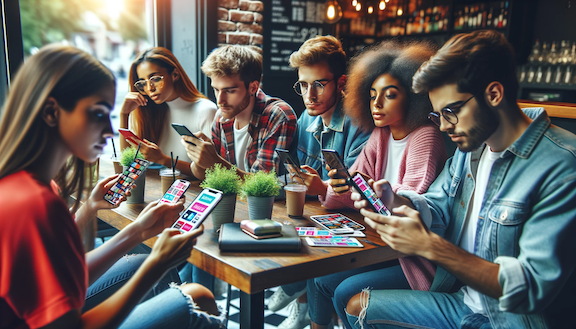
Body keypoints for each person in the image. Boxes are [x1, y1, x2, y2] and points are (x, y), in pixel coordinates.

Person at [346, 30, 576, 329]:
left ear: (494, 94)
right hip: (462, 300)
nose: (442, 127)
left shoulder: (561, 164)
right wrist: (393, 200)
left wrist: (430, 246)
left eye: (451, 111)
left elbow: (530, 290)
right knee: (355, 306)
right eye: (437, 115)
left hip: (509, 321)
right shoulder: (472, 149)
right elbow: (437, 205)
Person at [0, 45, 224, 329]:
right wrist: (157, 262)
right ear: (51, 112)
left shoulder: (32, 185)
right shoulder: (33, 203)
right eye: (97, 114)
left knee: (143, 267)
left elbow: (60, 275)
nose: (108, 130)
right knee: (194, 295)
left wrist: (138, 231)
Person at [304, 41, 448, 329]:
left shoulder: (426, 138)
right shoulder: (380, 136)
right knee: (318, 278)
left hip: (412, 258)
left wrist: (368, 192)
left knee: (346, 291)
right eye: (371, 96)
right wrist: (340, 186)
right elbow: (348, 192)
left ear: (413, 96)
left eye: (389, 95)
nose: (377, 104)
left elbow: (411, 210)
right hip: (382, 245)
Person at [267, 35, 371, 329]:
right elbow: (294, 175)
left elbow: (355, 192)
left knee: (304, 245)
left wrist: (319, 187)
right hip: (318, 216)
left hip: (354, 224)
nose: (309, 94)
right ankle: (298, 298)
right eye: (302, 84)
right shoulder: (305, 118)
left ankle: (297, 292)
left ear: (341, 83)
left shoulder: (359, 122)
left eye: (319, 84)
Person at [182, 44, 298, 180]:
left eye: (229, 91)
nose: (220, 100)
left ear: (253, 87)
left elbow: (263, 186)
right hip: (233, 200)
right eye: (216, 89)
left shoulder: (278, 116)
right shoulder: (221, 117)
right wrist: (200, 159)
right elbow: (205, 176)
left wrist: (214, 162)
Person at [119, 47, 217, 177]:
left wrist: (162, 159)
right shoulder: (150, 112)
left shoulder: (205, 110)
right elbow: (128, 163)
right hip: (156, 191)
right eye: (143, 83)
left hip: (191, 192)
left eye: (155, 79)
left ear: (175, 75)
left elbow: (211, 172)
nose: (150, 88)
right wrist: (124, 115)